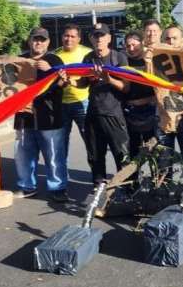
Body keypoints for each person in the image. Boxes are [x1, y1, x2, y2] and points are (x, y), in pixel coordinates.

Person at [12, 28, 71, 201]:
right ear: (29, 41)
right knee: (23, 154)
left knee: (54, 155)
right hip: (24, 116)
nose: (38, 43)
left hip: (49, 117)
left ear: (48, 43)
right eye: (35, 39)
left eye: (42, 40)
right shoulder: (20, 60)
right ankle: (26, 186)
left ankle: (58, 188)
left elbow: (64, 82)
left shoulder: (55, 60)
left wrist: (52, 69)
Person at [81, 23, 131, 184]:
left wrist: (108, 79)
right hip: (93, 113)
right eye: (95, 36)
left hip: (113, 113)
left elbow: (126, 87)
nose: (99, 39)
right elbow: (83, 83)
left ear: (109, 38)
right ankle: (99, 189)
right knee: (95, 155)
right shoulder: (88, 58)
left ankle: (126, 189)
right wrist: (69, 81)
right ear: (91, 39)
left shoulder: (119, 57)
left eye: (102, 36)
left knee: (121, 155)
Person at [156, 26, 183, 164]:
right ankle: (164, 186)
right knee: (164, 160)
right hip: (163, 118)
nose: (171, 41)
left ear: (182, 40)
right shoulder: (154, 61)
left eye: (175, 38)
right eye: (167, 38)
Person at [54, 24, 92, 172]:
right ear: (61, 37)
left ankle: (97, 179)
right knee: (61, 145)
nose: (68, 39)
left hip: (83, 103)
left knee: (90, 142)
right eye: (66, 36)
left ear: (79, 39)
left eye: (72, 36)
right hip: (61, 105)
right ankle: (62, 181)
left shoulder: (88, 54)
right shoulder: (55, 55)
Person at [123, 31, 158, 158]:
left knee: (154, 150)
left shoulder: (151, 61)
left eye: (134, 45)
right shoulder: (123, 62)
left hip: (150, 110)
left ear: (142, 43)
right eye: (128, 46)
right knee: (133, 150)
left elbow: (160, 86)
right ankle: (134, 177)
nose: (131, 49)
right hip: (129, 112)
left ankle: (157, 177)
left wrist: (149, 99)